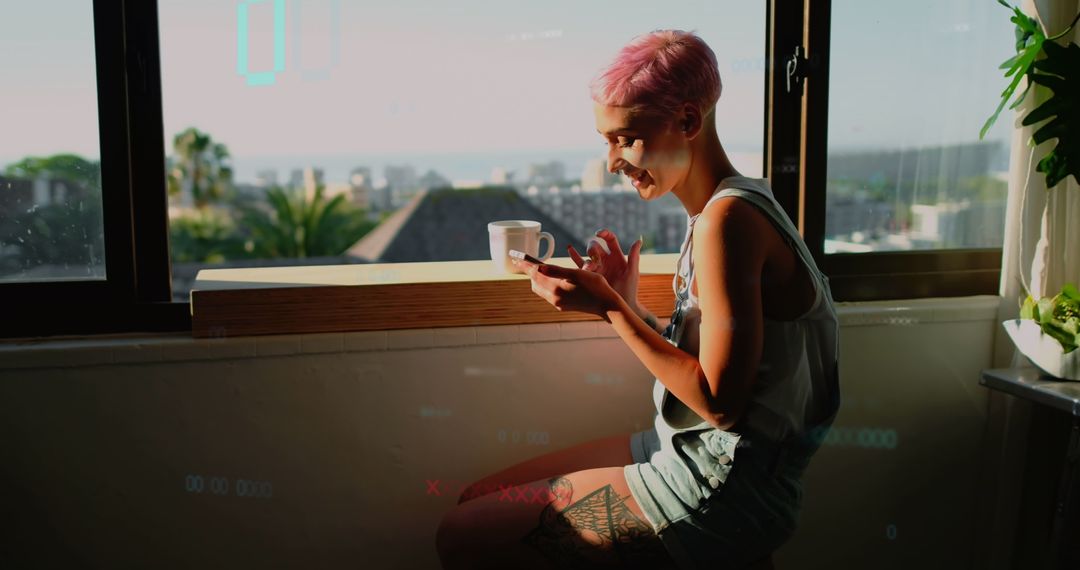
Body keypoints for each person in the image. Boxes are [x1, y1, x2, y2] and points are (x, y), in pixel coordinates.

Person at [435, 28, 840, 570]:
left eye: (625, 138)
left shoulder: (728, 221)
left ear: (689, 122)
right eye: (606, 141)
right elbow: (727, 364)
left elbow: (721, 403)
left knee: (462, 535)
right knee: (477, 500)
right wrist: (633, 308)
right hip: (684, 451)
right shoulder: (728, 210)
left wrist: (611, 308)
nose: (612, 162)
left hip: (717, 488)